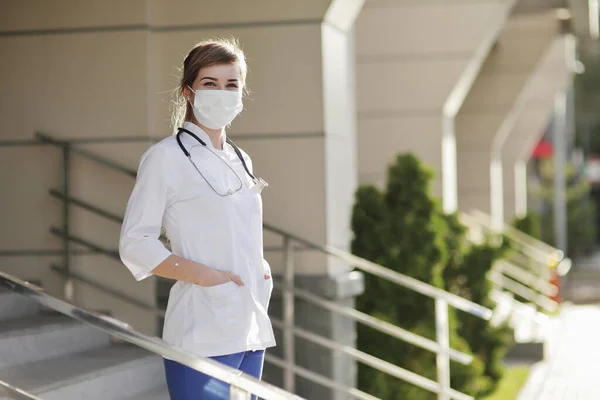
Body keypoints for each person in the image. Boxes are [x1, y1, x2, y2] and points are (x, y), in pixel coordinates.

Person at [119, 38, 275, 400]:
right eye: (210, 84)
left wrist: (261, 269)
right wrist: (204, 276)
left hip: (250, 329)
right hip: (201, 332)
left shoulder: (241, 159)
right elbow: (135, 242)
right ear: (188, 92)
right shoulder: (165, 158)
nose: (222, 93)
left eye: (231, 84)